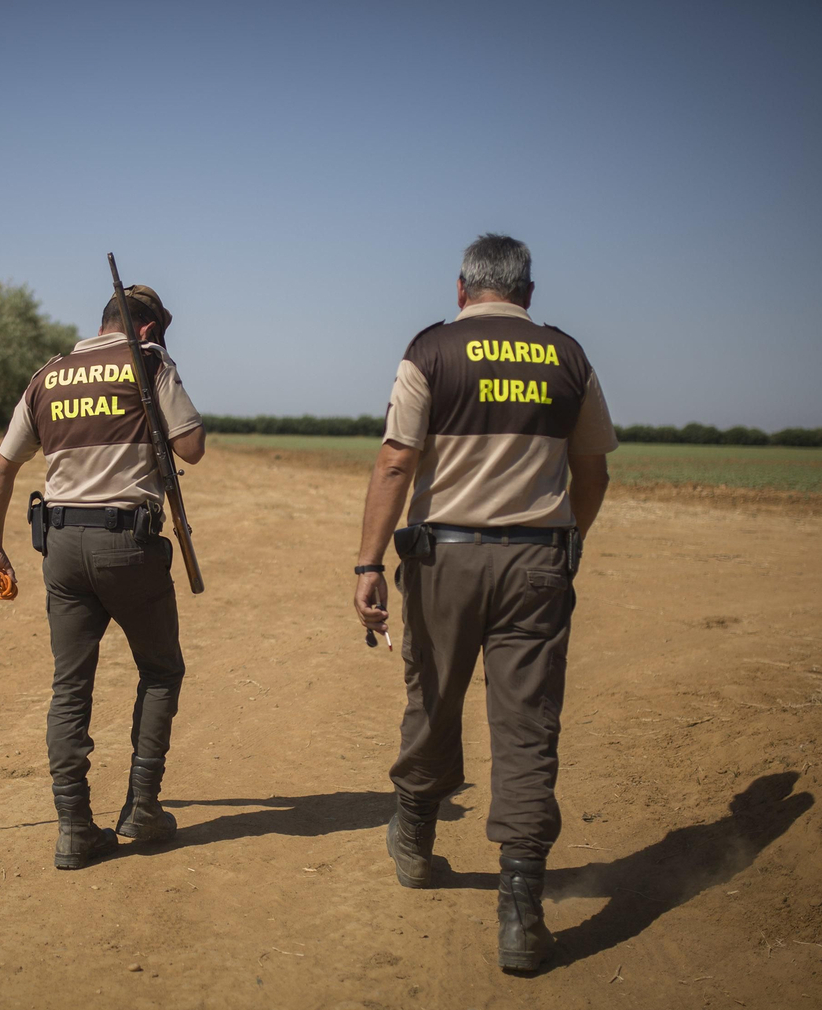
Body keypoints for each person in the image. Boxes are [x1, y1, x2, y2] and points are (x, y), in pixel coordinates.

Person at [351, 234, 616, 972]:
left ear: (463, 289)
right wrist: (566, 543)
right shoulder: (568, 355)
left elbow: (397, 459)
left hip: (446, 559)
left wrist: (368, 562)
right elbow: (590, 470)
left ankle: (414, 833)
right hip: (539, 561)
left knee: (433, 697)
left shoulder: (430, 350)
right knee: (527, 727)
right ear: (528, 293)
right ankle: (522, 912)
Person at [0, 284, 205, 870]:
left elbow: (2, 470)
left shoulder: (48, 374)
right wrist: (160, 380)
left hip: (60, 547)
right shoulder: (149, 362)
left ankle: (75, 828)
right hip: (128, 545)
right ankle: (142, 810)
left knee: (70, 687)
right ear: (150, 330)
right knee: (160, 670)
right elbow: (193, 447)